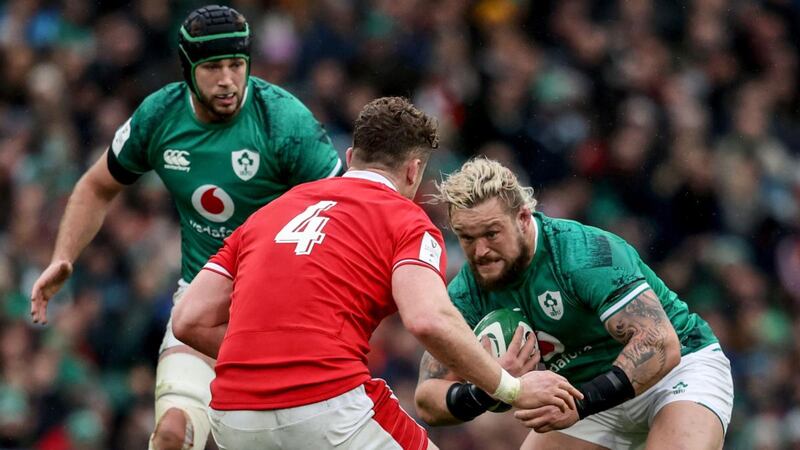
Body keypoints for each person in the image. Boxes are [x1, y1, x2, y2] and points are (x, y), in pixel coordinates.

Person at [171, 97, 583, 450]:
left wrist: (267, 361)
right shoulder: (406, 220)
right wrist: (509, 387)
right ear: (413, 171)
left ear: (350, 158)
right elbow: (427, 319)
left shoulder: (267, 213)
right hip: (327, 407)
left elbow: (189, 318)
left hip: (235, 416)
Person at [29, 5, 344, 450]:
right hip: (202, 300)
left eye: (236, 65)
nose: (228, 80)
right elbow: (97, 186)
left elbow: (347, 210)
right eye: (213, 67)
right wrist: (63, 256)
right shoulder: (160, 117)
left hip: (283, 310)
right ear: (187, 69)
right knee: (172, 434)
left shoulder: (283, 121)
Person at [415, 158, 734, 449]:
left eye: (492, 233)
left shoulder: (582, 254)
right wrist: (492, 385)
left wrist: (581, 406)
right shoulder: (467, 291)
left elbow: (661, 344)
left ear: (523, 218)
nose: (480, 250)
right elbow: (428, 397)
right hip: (583, 392)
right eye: (467, 238)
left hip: (677, 371)